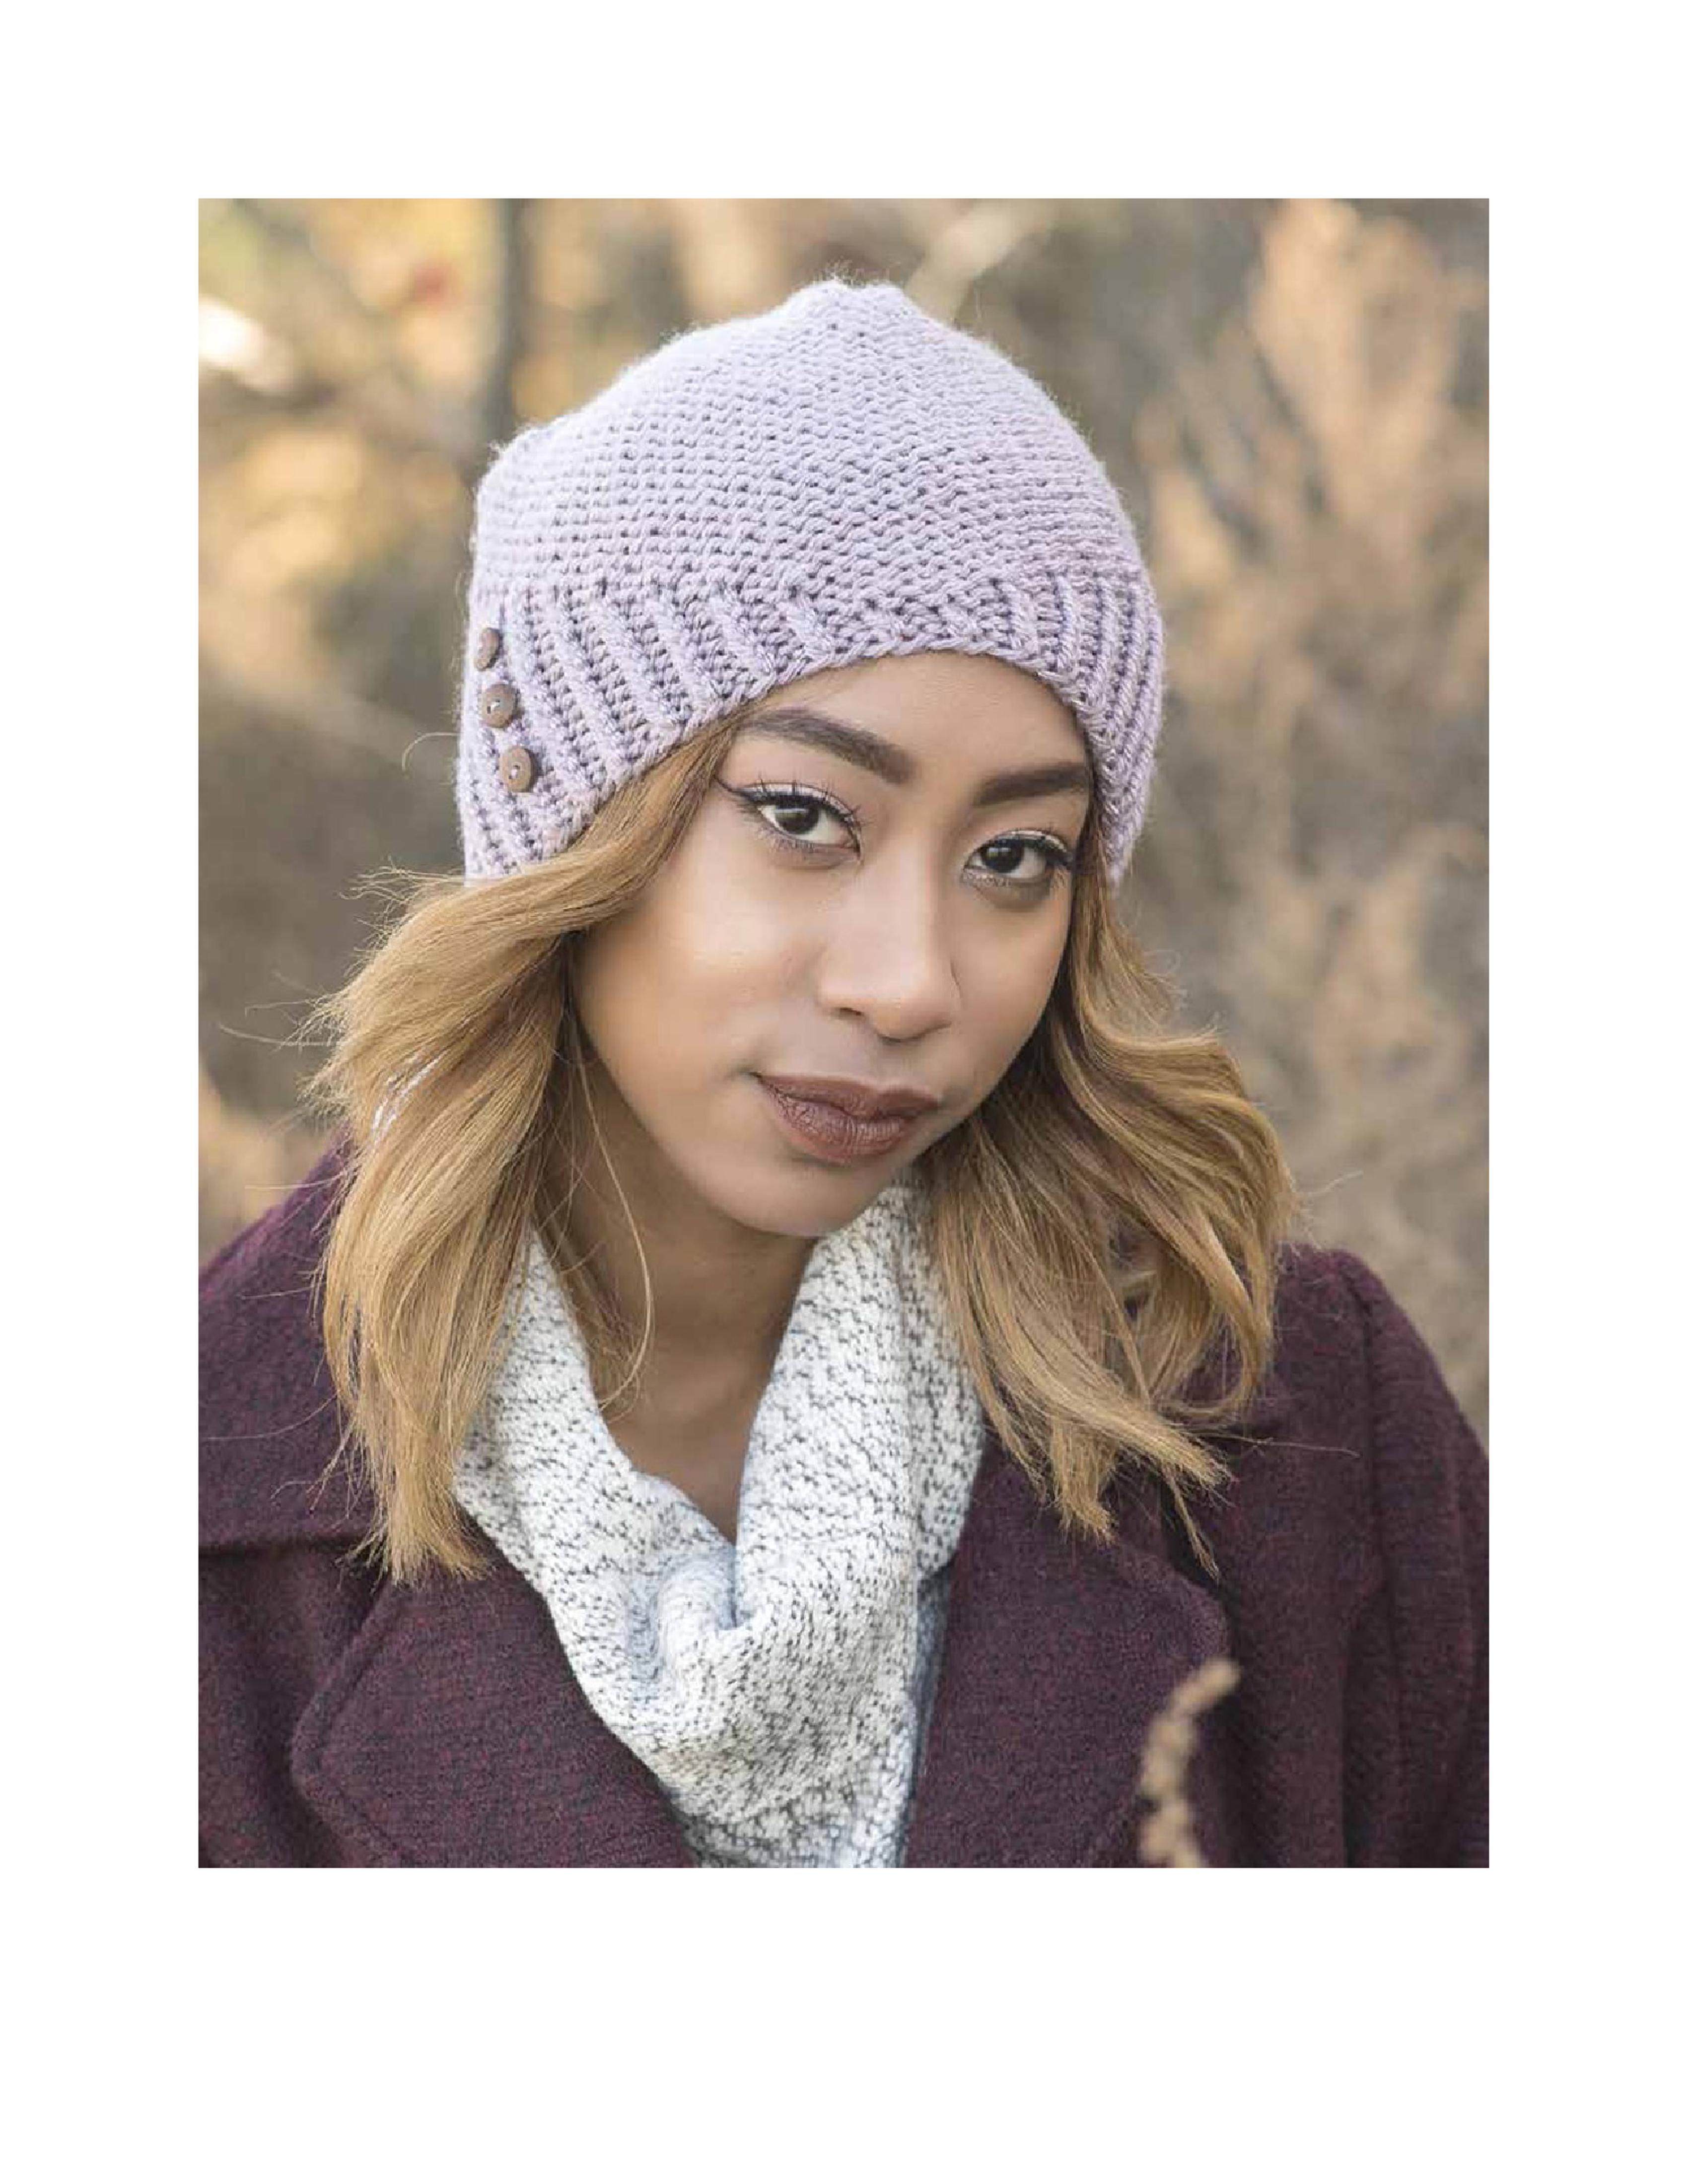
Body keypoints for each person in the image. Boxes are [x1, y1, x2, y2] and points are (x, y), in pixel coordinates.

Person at [200, 275, 1487, 1867]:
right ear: (568, 835)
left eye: (1016, 856)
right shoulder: (199, 1489)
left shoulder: (1298, 1427)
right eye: (805, 819)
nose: (910, 982)